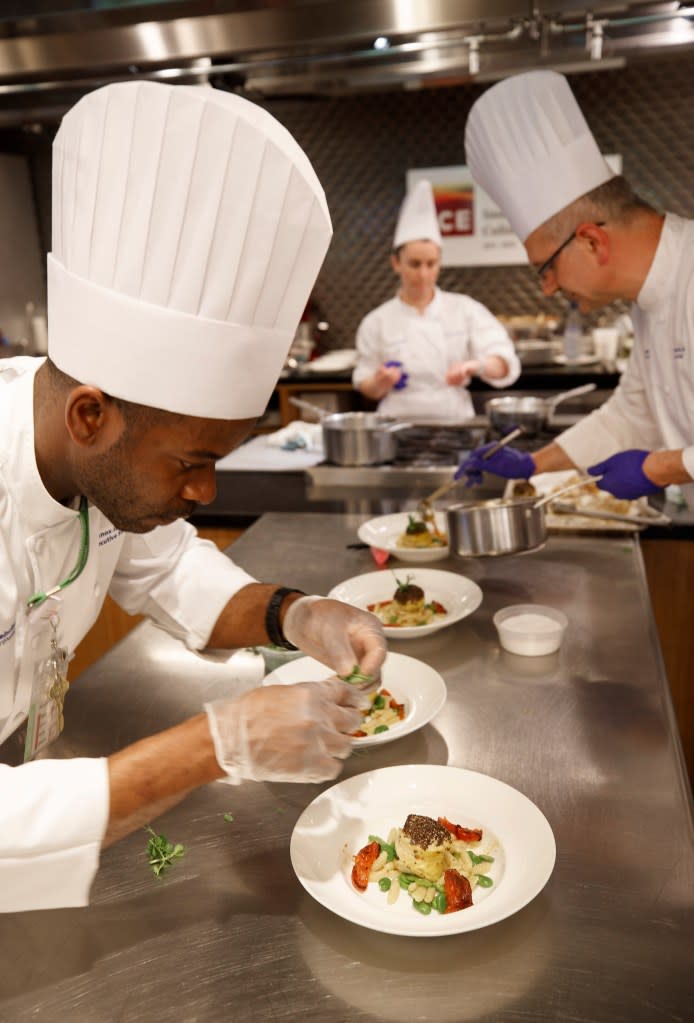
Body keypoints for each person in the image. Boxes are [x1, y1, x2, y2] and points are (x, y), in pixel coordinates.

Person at [0, 81, 387, 913]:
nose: (205, 490)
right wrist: (216, 743)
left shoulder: (97, 466)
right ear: (90, 415)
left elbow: (174, 570)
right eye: (191, 461)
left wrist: (296, 613)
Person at [457, 70, 694, 505]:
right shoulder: (646, 303)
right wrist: (534, 464)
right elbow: (630, 416)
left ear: (591, 241)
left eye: (545, 268)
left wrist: (659, 468)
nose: (547, 289)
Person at [352, 179, 520, 422]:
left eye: (431, 264)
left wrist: (476, 366)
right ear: (396, 263)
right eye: (414, 264)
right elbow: (365, 384)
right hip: (395, 425)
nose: (423, 274)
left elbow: (504, 363)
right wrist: (380, 382)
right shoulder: (376, 321)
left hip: (455, 423)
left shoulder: (465, 309)